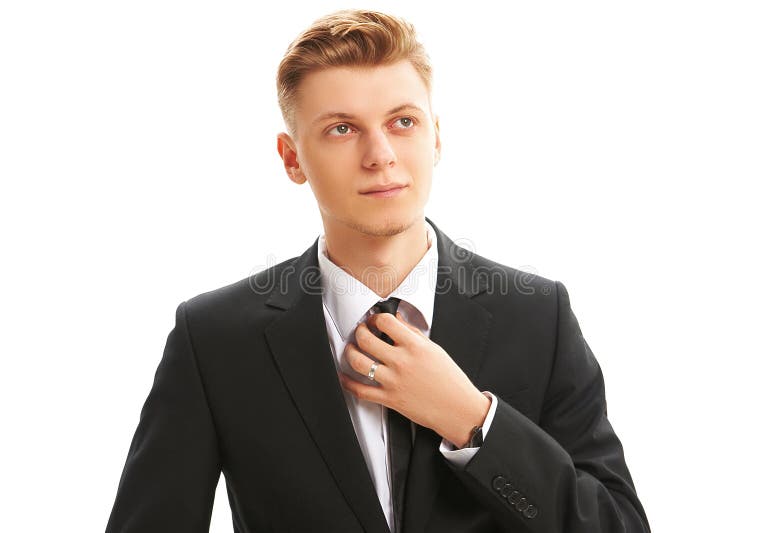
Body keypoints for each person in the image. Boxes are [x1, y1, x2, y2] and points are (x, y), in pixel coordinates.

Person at [105, 9, 650, 533]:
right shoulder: (214, 340)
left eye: (403, 121)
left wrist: (474, 423)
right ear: (291, 158)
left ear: (436, 135)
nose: (381, 154)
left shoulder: (538, 316)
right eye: (342, 129)